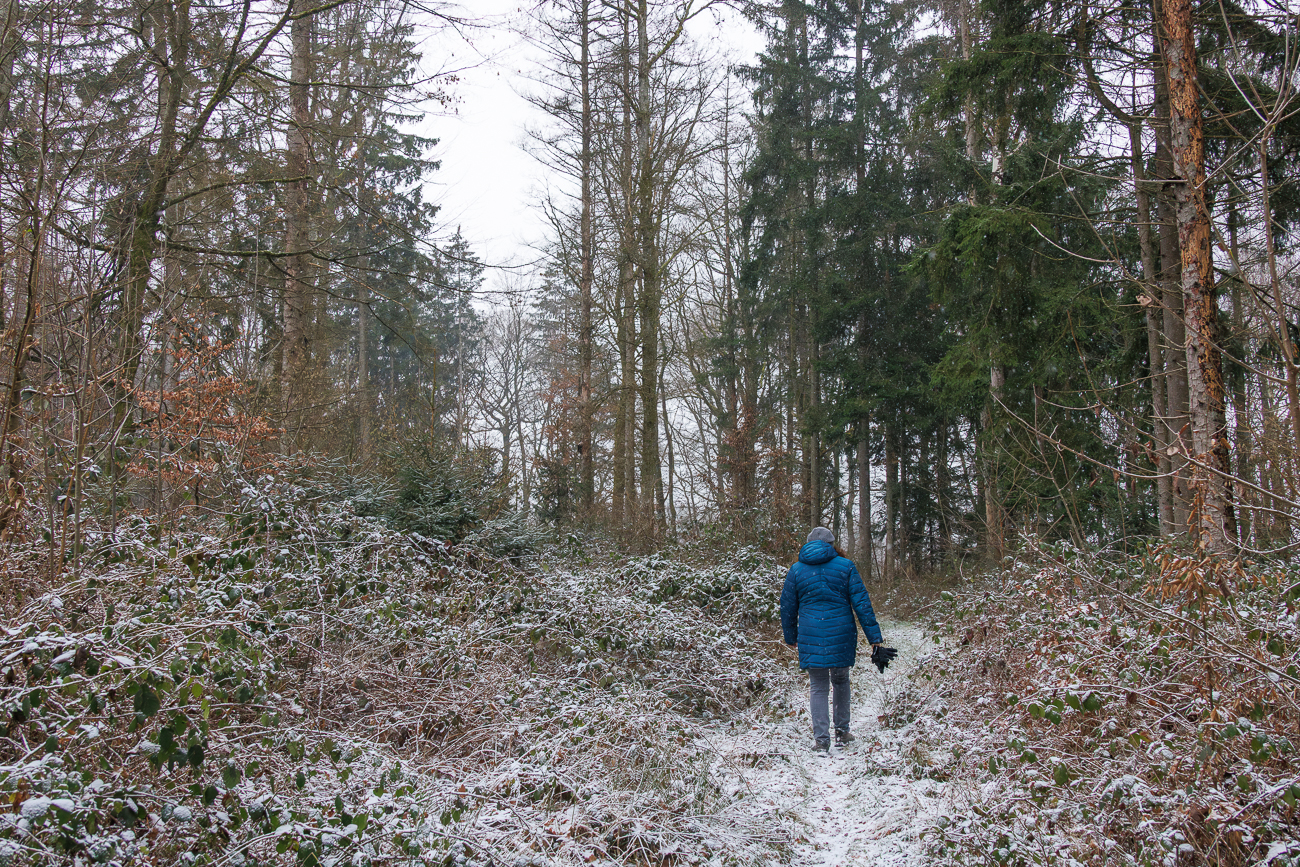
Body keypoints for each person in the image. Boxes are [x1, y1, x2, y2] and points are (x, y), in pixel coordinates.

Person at [780, 526, 883, 752]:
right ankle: (842, 732)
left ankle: (821, 740)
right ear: (832, 544)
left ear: (809, 544)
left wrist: (791, 636)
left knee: (818, 686)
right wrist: (874, 637)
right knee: (841, 680)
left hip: (810, 634)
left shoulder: (796, 570)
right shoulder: (846, 566)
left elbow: (787, 607)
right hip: (842, 632)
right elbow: (862, 603)